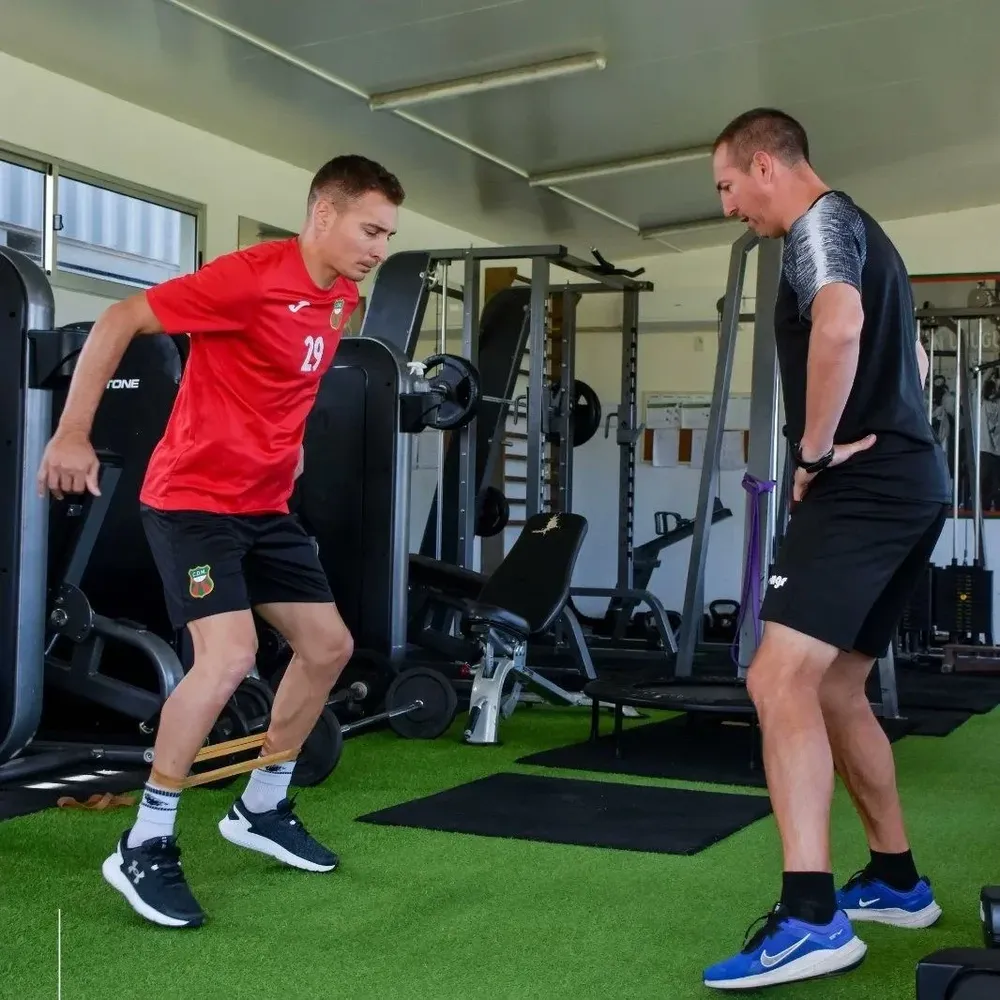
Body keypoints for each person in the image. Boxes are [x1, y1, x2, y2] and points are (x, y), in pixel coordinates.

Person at [36, 154, 405, 929]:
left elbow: (289, 380)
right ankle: (145, 840)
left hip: (264, 508)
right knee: (230, 656)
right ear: (324, 215)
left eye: (388, 235)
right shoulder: (248, 277)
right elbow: (119, 319)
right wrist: (72, 432)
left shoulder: (344, 299)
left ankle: (261, 806)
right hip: (192, 504)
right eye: (370, 229)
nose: (378, 247)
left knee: (328, 647)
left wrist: (288, 441)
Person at [703, 109, 951, 991]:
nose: (730, 207)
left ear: (765, 165)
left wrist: (813, 450)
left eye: (728, 186)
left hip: (865, 485)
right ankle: (896, 879)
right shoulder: (864, 231)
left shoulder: (816, 229)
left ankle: (811, 916)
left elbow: (841, 330)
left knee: (775, 678)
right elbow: (914, 360)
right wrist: (889, 428)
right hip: (913, 479)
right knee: (838, 686)